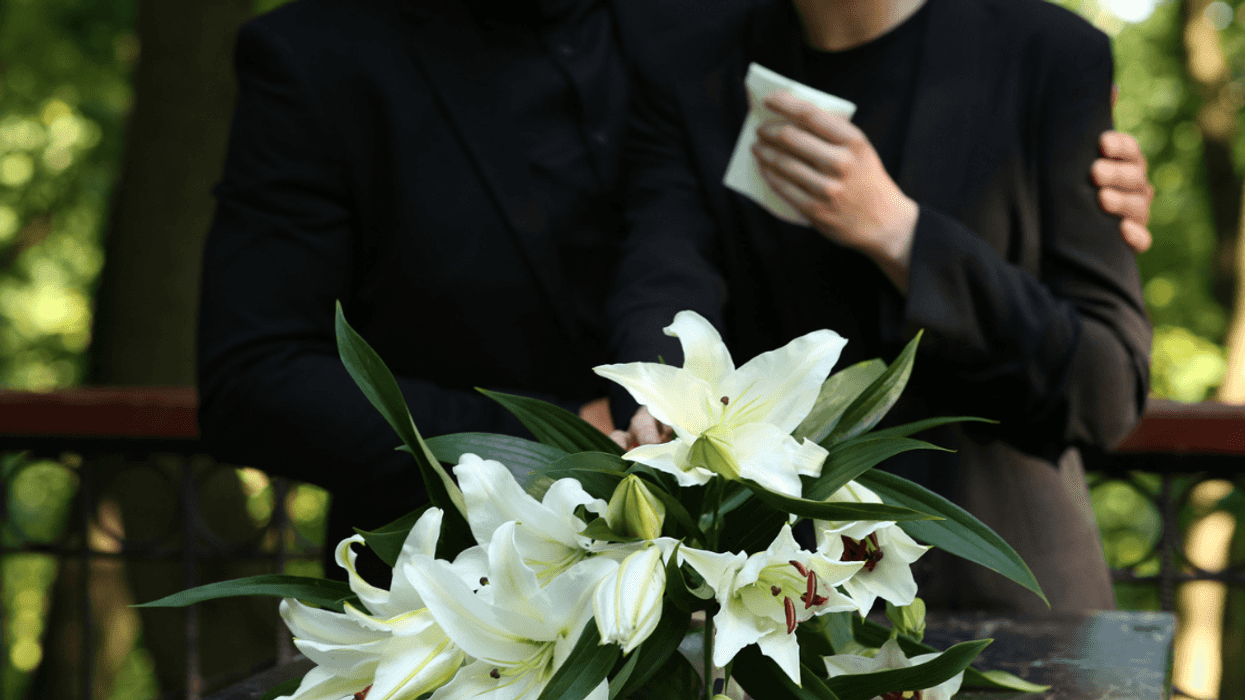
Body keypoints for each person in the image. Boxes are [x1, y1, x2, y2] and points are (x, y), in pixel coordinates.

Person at [196, 0, 1153, 580]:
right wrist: (555, 444)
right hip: (470, 588)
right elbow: (252, 379)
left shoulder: (715, 32)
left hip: (769, 589)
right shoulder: (316, 57)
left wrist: (1049, 184)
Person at [608, 0, 1152, 612]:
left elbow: (1107, 390)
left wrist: (900, 235)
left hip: (1005, 602)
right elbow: (663, 280)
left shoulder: (1047, 51)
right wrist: (658, 404)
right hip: (776, 610)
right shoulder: (692, 66)